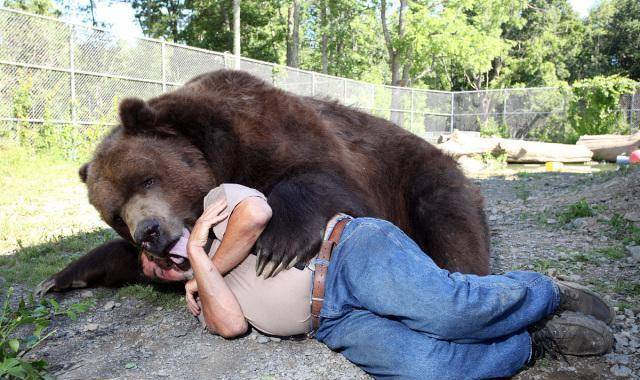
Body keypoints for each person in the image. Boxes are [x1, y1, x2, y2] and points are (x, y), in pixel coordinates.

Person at [143, 183, 614, 379]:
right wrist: (200, 268)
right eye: (158, 271)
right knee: (431, 370)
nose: (164, 262)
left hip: (349, 252)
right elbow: (231, 326)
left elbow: (257, 212)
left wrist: (207, 248)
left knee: (449, 312)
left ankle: (546, 292)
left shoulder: (215, 204)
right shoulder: (200, 292)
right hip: (331, 322)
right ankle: (534, 344)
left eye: (156, 250)